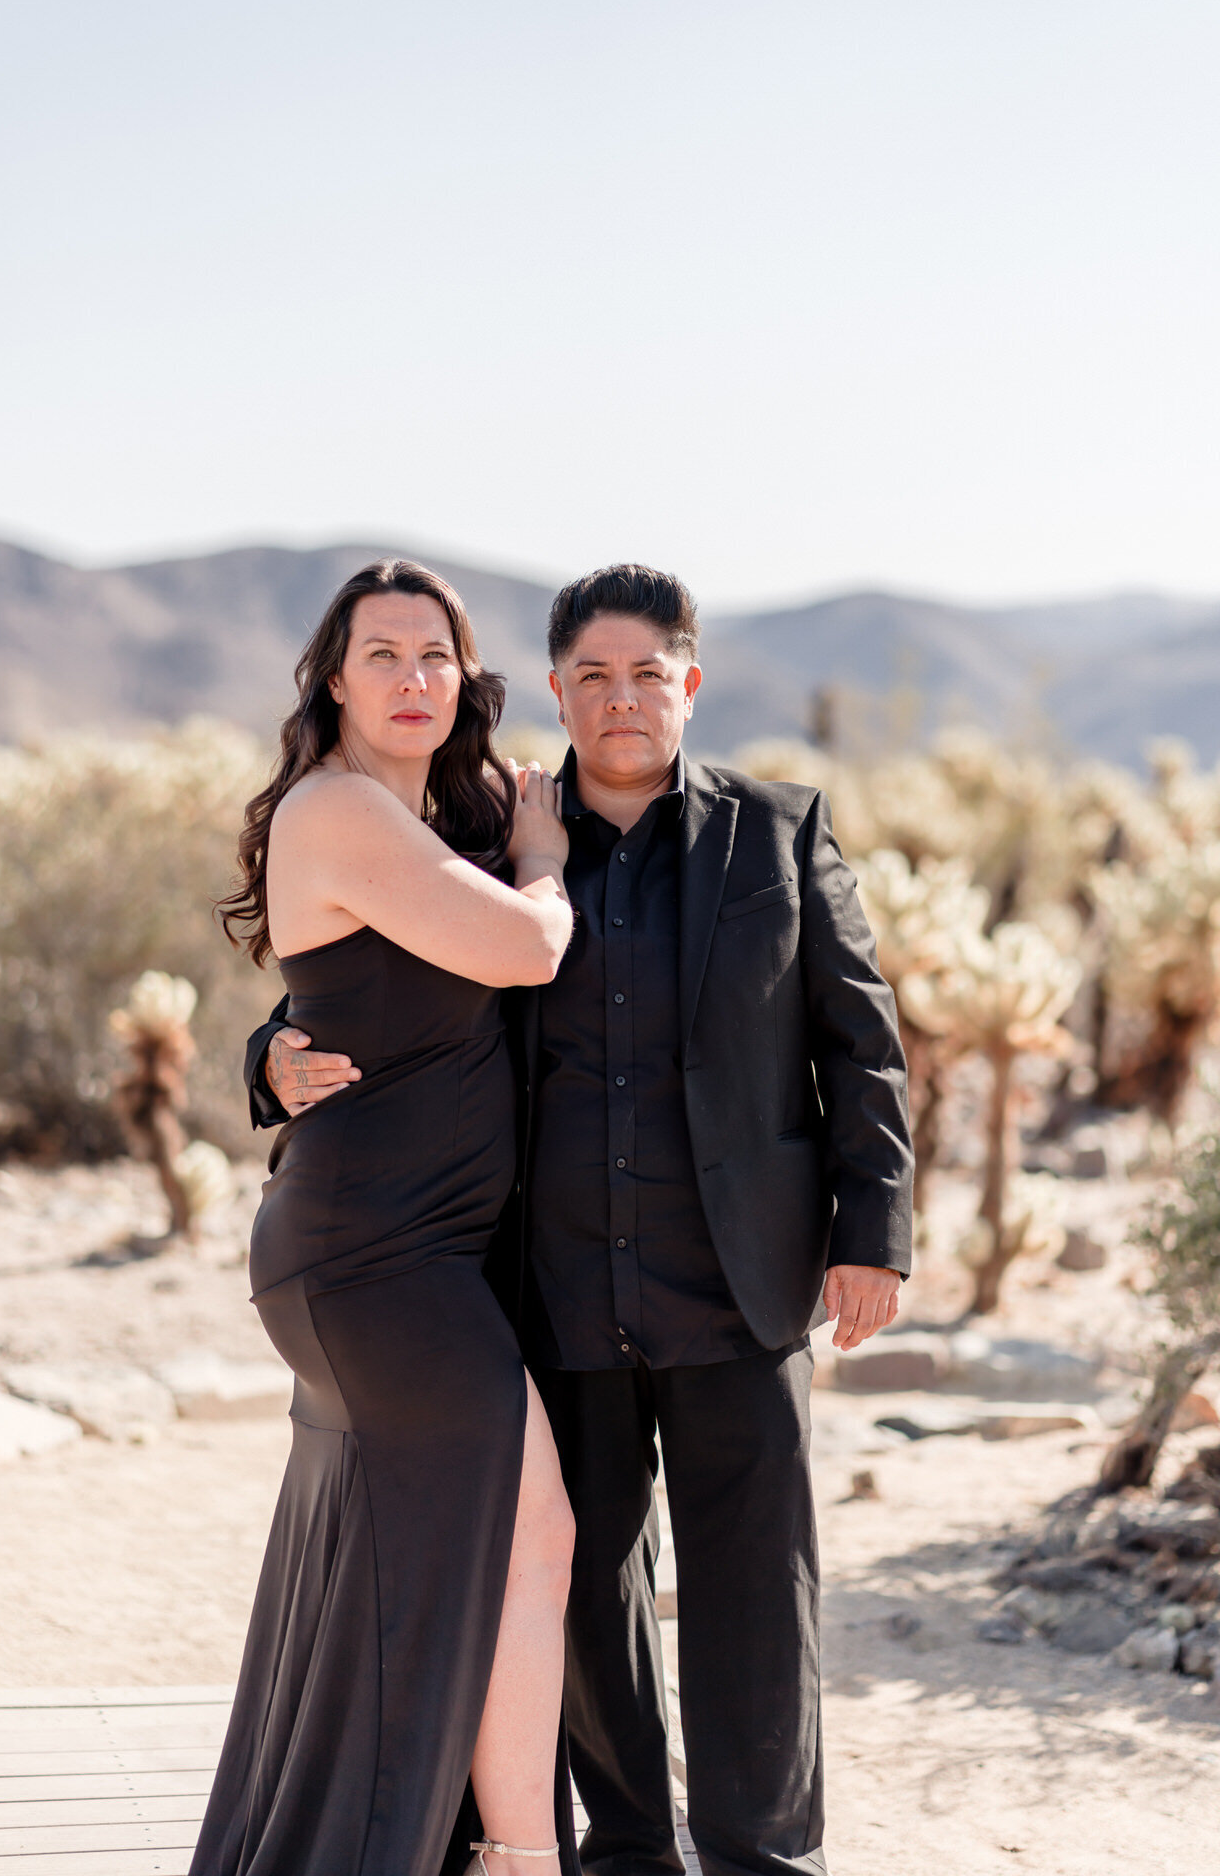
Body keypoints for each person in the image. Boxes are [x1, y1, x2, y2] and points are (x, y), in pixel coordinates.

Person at [248, 564, 914, 1876]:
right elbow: (372, 977)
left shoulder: (776, 832)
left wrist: (870, 1230)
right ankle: (623, 1859)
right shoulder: (501, 837)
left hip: (742, 1286)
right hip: (554, 1293)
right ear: (556, 689)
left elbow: (864, 1039)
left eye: (647, 674)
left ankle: (763, 1859)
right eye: (592, 677)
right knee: (584, 1596)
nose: (621, 700)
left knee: (754, 1601)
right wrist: (272, 1049)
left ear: (690, 684)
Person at [199, 559, 581, 1876]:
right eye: (384, 655)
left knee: (449, 1552)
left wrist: (269, 1055)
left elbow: (369, 1004)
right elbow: (529, 951)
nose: (414, 679)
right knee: (527, 1534)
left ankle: (445, 1847)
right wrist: (543, 864)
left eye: (436, 656)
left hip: (411, 1254)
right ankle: (517, 1859)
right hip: (371, 1257)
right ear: (334, 680)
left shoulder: (436, 817)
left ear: (463, 679)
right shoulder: (344, 809)